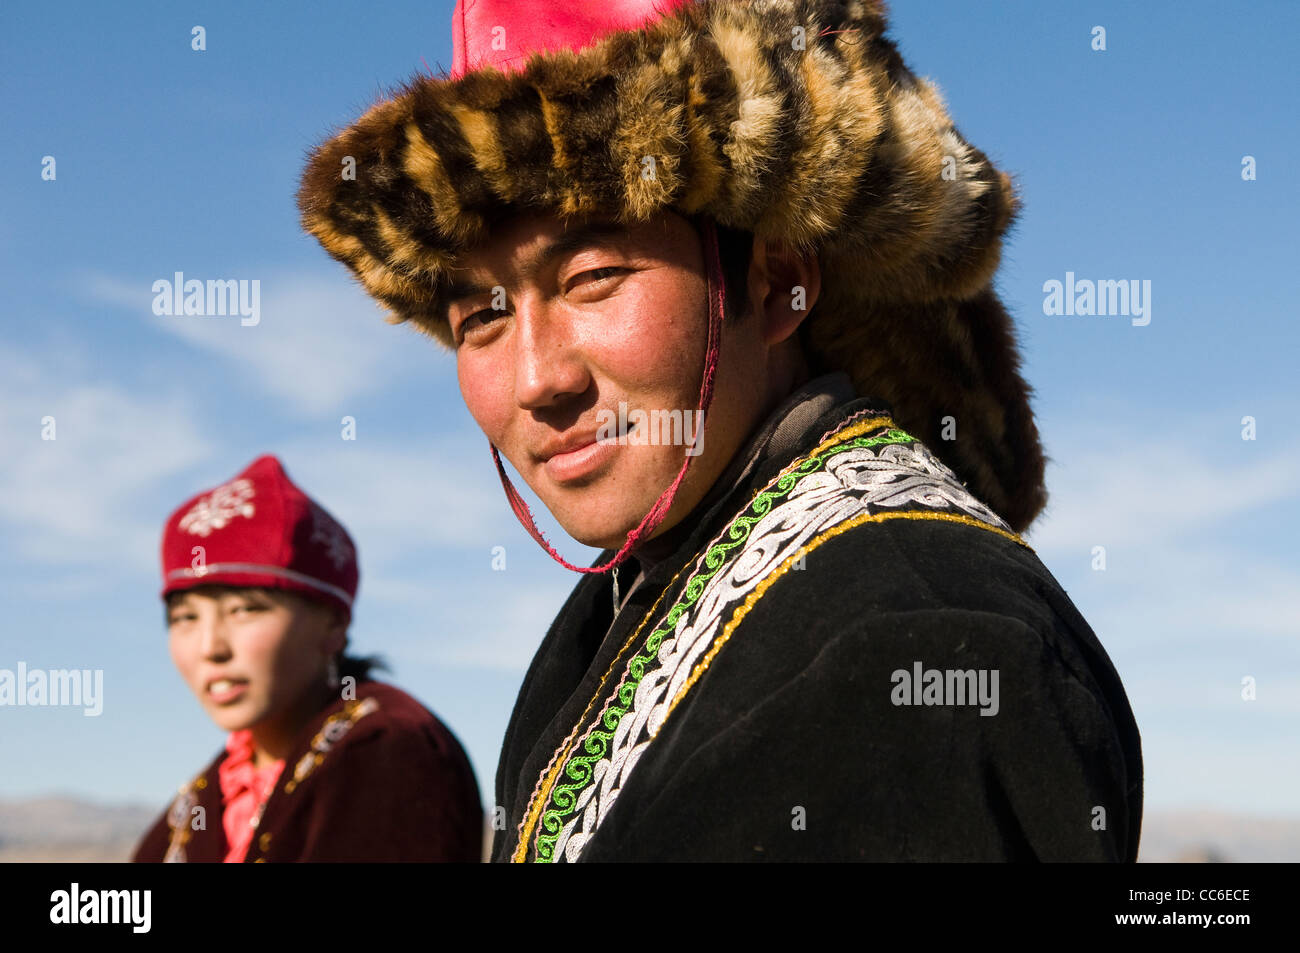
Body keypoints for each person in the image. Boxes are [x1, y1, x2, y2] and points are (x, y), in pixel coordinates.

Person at [295, 0, 1143, 862]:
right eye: (481, 313)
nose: (537, 377)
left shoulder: (915, 639)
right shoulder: (620, 607)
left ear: (778, 284)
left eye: (593, 276)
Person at [132, 455, 483, 862]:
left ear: (333, 625)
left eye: (245, 610)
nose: (211, 648)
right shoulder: (207, 796)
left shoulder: (386, 750)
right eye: (186, 617)